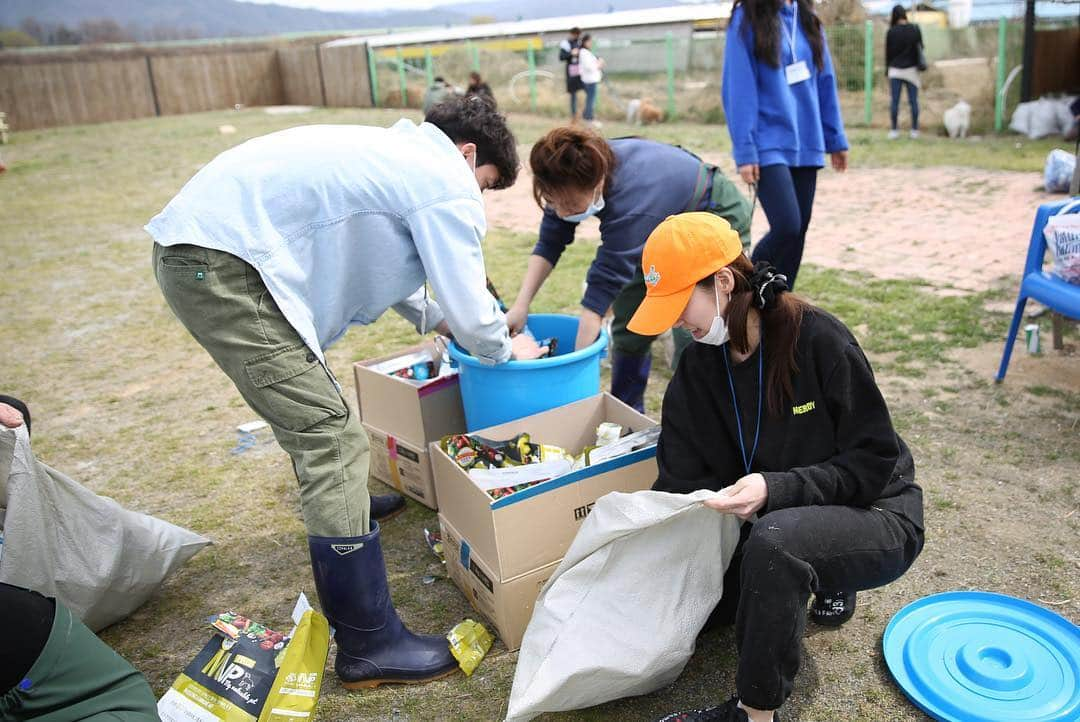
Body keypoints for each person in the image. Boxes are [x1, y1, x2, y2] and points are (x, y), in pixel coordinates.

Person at [146, 96, 545, 690]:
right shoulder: (440, 176)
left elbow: (406, 275)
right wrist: (507, 353)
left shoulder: (394, 156)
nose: (478, 196)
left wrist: (447, 324)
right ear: (467, 154)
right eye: (485, 184)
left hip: (208, 252)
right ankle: (369, 644)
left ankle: (347, 508)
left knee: (316, 405)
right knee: (329, 437)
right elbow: (467, 300)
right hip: (221, 263)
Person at [625, 213, 923, 722]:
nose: (676, 322)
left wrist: (774, 488)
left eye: (679, 304)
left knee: (778, 543)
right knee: (704, 605)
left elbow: (874, 462)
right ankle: (806, 565)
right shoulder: (700, 365)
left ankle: (755, 712)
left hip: (872, 507)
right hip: (769, 514)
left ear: (722, 281)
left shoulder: (819, 340)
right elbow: (679, 474)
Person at [509, 127, 752, 413]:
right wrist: (520, 305)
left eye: (570, 205)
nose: (562, 213)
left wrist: (572, 370)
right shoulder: (571, 172)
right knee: (631, 321)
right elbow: (550, 242)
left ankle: (709, 409)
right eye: (554, 203)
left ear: (598, 184)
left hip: (710, 210)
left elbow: (597, 300)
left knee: (696, 321)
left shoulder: (630, 207)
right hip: (658, 228)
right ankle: (628, 413)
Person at [722, 0, 849, 290]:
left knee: (798, 232)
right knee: (787, 225)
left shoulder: (808, 19)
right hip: (767, 143)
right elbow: (739, 87)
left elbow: (825, 82)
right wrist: (745, 150)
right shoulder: (747, 17)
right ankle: (740, 287)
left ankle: (779, 306)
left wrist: (835, 138)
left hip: (807, 140)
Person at [885, 5, 924, 140]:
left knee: (895, 101)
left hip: (895, 70)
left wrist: (887, 71)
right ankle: (914, 130)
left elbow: (888, 54)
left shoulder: (891, 32)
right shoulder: (914, 29)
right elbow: (921, 48)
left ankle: (894, 130)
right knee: (913, 101)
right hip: (911, 70)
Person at [578, 34, 605, 128]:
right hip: (589, 80)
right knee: (590, 101)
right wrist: (599, 64)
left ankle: (587, 118)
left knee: (590, 100)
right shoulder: (584, 52)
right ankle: (589, 120)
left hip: (591, 79)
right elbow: (589, 67)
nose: (591, 43)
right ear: (585, 42)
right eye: (589, 41)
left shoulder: (586, 52)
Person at [559, 27, 585, 122]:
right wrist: (571, 53)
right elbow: (561, 57)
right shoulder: (566, 43)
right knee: (573, 94)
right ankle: (574, 116)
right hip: (572, 71)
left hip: (582, 70)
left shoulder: (580, 43)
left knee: (586, 91)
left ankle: (584, 114)